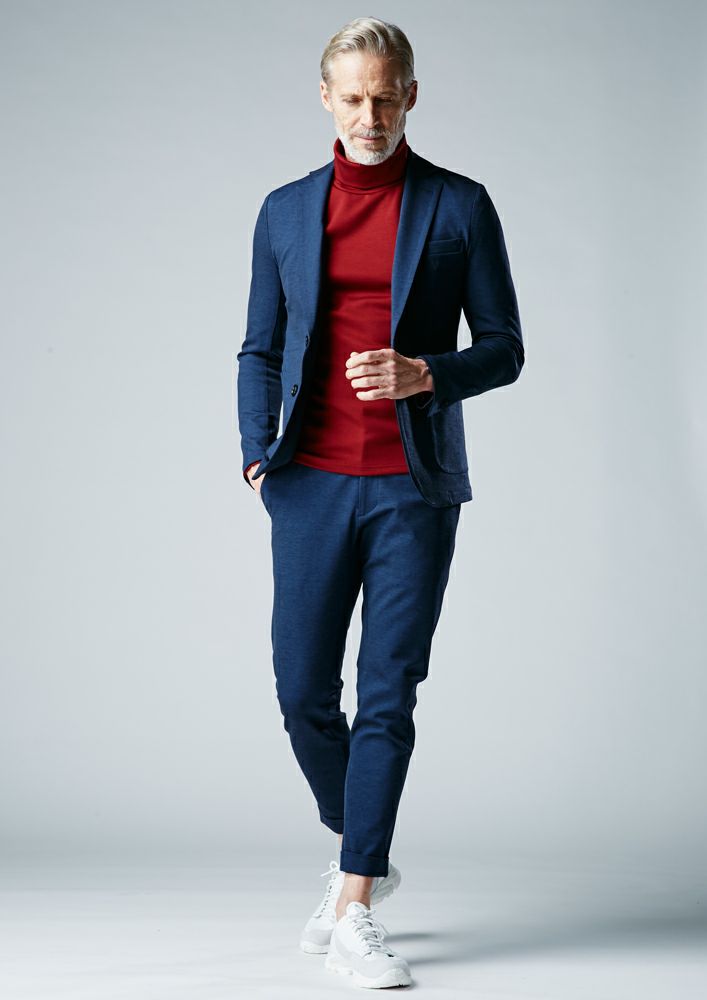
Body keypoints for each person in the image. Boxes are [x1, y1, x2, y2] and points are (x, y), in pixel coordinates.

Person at [236, 16, 524, 989]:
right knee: (302, 695)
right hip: (308, 482)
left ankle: (355, 899)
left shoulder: (457, 205)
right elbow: (258, 347)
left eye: (386, 96)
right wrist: (255, 453)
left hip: (412, 486)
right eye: (353, 97)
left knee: (388, 691)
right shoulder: (283, 210)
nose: (370, 115)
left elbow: (504, 347)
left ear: (410, 96)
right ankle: (360, 838)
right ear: (326, 97)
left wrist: (426, 373)